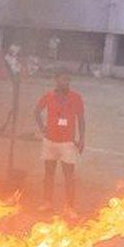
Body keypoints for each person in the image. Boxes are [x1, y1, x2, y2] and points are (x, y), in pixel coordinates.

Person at [34, 74, 85, 217]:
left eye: (68, 79)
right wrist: (42, 128)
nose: (66, 82)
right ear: (56, 80)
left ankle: (69, 207)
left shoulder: (76, 98)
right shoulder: (48, 96)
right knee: (49, 173)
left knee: (69, 175)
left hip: (67, 143)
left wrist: (81, 139)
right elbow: (37, 111)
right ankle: (47, 202)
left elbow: (81, 119)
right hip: (50, 142)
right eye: (63, 79)